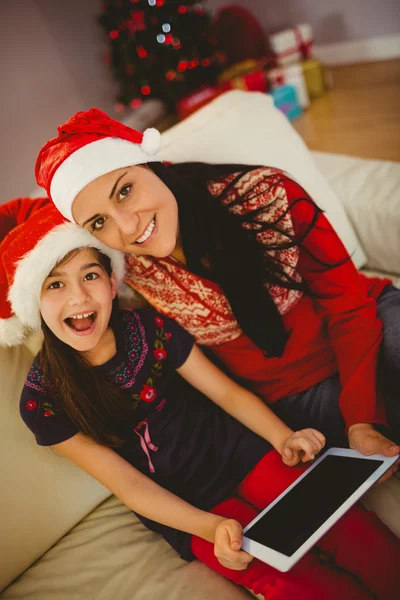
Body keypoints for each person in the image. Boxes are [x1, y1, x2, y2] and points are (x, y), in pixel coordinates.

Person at [1, 205, 400, 600]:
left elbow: (226, 392)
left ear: (110, 282)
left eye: (90, 275)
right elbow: (130, 486)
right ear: (33, 303)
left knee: (349, 530)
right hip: (187, 508)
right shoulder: (43, 401)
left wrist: (283, 437)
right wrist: (210, 528)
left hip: (243, 453)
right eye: (55, 284)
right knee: (291, 581)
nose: (78, 296)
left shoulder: (150, 328)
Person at [2, 108, 400, 462]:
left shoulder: (263, 196)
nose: (127, 226)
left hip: (368, 327)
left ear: (151, 164)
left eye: (125, 190)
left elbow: (349, 307)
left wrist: (362, 414)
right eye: (99, 222)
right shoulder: (122, 270)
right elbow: (28, 232)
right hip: (295, 393)